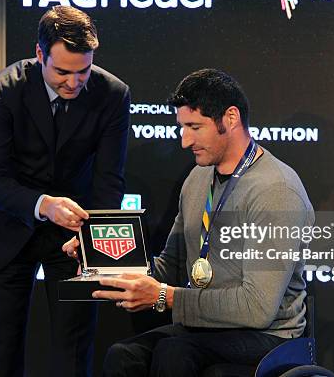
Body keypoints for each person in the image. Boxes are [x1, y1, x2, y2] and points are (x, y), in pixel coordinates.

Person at [64, 68, 314, 376]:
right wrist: (100, 256)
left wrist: (164, 297)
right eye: (182, 127)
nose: (184, 141)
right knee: (124, 356)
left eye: (194, 127)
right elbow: (170, 266)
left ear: (230, 118)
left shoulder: (275, 190)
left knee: (175, 353)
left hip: (270, 335)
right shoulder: (198, 178)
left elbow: (258, 308)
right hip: (204, 327)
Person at [0, 5, 130, 377]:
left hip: (73, 237)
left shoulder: (113, 94)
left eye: (83, 71)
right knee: (3, 353)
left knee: (73, 354)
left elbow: (109, 182)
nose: (74, 83)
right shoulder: (4, 91)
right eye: (62, 72)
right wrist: (43, 205)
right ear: (40, 54)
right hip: (6, 230)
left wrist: (92, 239)